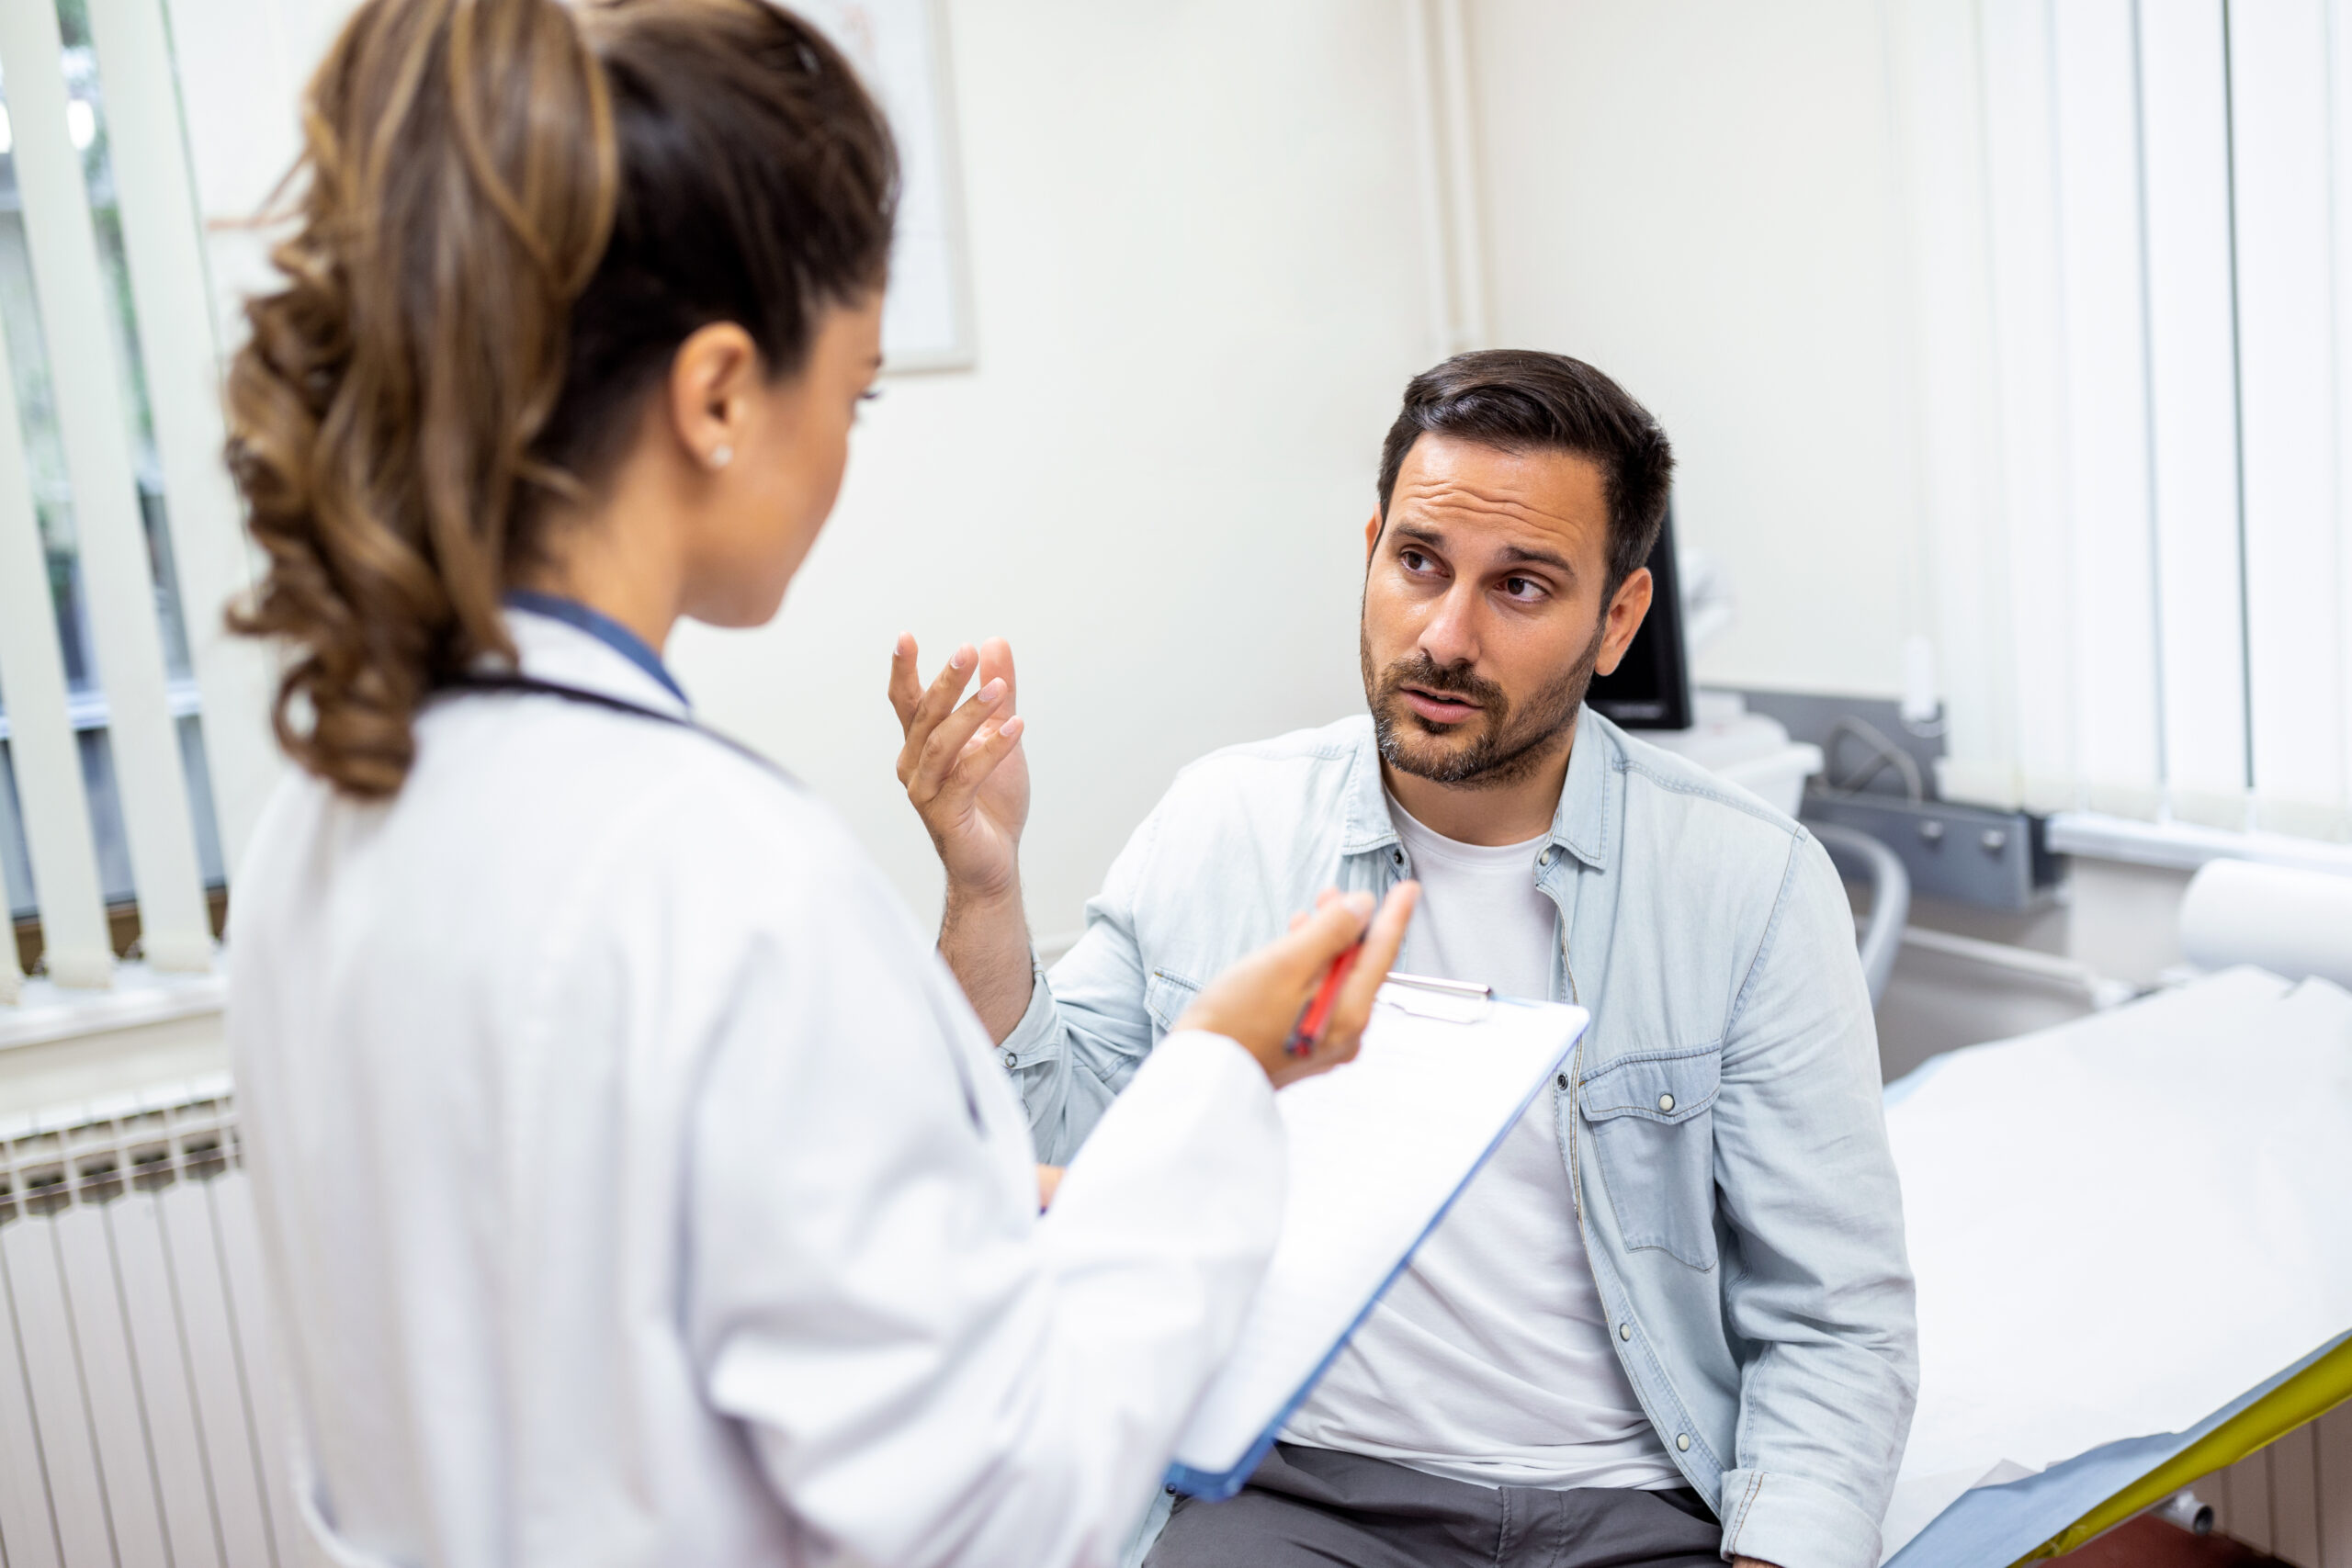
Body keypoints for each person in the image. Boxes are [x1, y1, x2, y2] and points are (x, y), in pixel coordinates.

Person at [220, 3, 1418, 1565]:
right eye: (851, 394)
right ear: (719, 394)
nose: (845, 451)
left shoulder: (320, 819)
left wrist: (966, 1237)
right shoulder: (720, 876)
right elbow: (1003, 1508)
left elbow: (595, 1332)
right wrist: (1222, 1079)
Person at [891, 350, 1919, 1568]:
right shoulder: (1228, 825)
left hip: (1632, 1509)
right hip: (1298, 1493)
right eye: (1419, 563)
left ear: (1619, 621)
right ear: (1373, 547)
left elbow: (1834, 1322)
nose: (1445, 634)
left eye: (1522, 587)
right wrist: (986, 886)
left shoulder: (1749, 884)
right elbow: (1049, 1160)